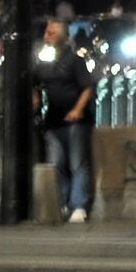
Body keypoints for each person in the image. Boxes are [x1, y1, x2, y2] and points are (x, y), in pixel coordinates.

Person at [33, 15, 96, 223]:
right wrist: (35, 97)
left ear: (63, 37)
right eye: (46, 32)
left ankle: (79, 205)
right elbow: (35, 82)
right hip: (54, 119)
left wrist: (78, 110)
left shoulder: (75, 60)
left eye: (51, 33)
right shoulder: (47, 61)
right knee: (57, 162)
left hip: (75, 120)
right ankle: (61, 202)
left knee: (78, 163)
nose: (47, 36)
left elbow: (87, 87)